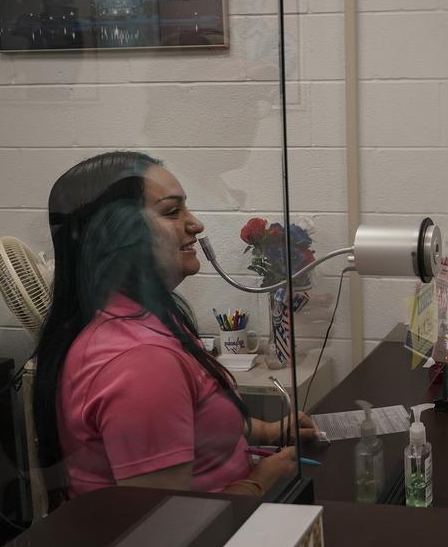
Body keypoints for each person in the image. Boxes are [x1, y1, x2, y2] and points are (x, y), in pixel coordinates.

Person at [32, 151, 316, 502]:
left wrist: (271, 432)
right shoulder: (140, 362)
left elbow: (198, 422)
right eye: (171, 211)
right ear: (116, 236)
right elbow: (161, 525)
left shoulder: (145, 319)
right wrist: (261, 482)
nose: (195, 224)